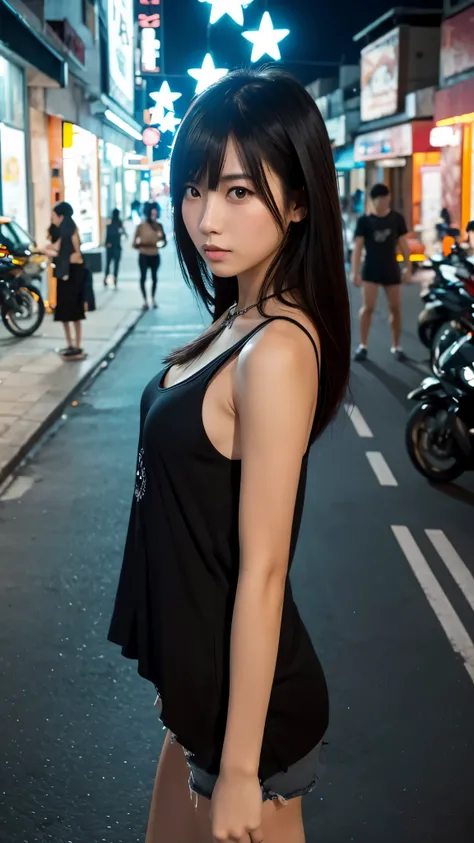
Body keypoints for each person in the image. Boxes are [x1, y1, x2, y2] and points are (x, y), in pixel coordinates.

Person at [108, 67, 350, 843]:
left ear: (301, 198)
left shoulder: (276, 350)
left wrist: (243, 769)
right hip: (202, 697)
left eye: (240, 192)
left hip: (252, 724)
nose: (206, 217)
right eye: (194, 189)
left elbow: (265, 570)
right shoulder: (235, 320)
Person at [351, 183, 411, 362]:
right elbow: (358, 248)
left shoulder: (396, 219)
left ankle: (396, 345)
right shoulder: (364, 221)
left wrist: (408, 268)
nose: (383, 203)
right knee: (368, 308)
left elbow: (404, 247)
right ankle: (362, 345)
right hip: (370, 268)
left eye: (386, 200)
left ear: (388, 198)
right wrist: (354, 272)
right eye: (379, 201)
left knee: (395, 308)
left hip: (391, 268)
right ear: (373, 201)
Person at [49, 202, 86, 360]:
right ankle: (70, 344)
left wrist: (60, 258)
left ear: (61, 216)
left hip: (73, 276)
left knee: (75, 312)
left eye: (54, 216)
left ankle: (77, 346)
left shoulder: (72, 231)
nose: (52, 219)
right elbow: (54, 247)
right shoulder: (62, 232)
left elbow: (78, 256)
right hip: (63, 276)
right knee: (63, 311)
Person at [133, 204, 167, 309]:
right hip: (144, 255)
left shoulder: (159, 226)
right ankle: (145, 300)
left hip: (155, 255)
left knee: (154, 277)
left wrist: (159, 244)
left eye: (155, 214)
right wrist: (145, 245)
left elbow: (164, 241)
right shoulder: (141, 226)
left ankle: (152, 297)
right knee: (143, 277)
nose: (154, 216)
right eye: (152, 213)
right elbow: (134, 243)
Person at [104, 209, 126, 288]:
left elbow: (107, 234)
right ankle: (114, 278)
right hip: (116, 246)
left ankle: (106, 277)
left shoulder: (110, 222)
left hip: (110, 246)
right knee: (115, 264)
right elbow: (124, 233)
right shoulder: (119, 223)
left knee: (108, 263)